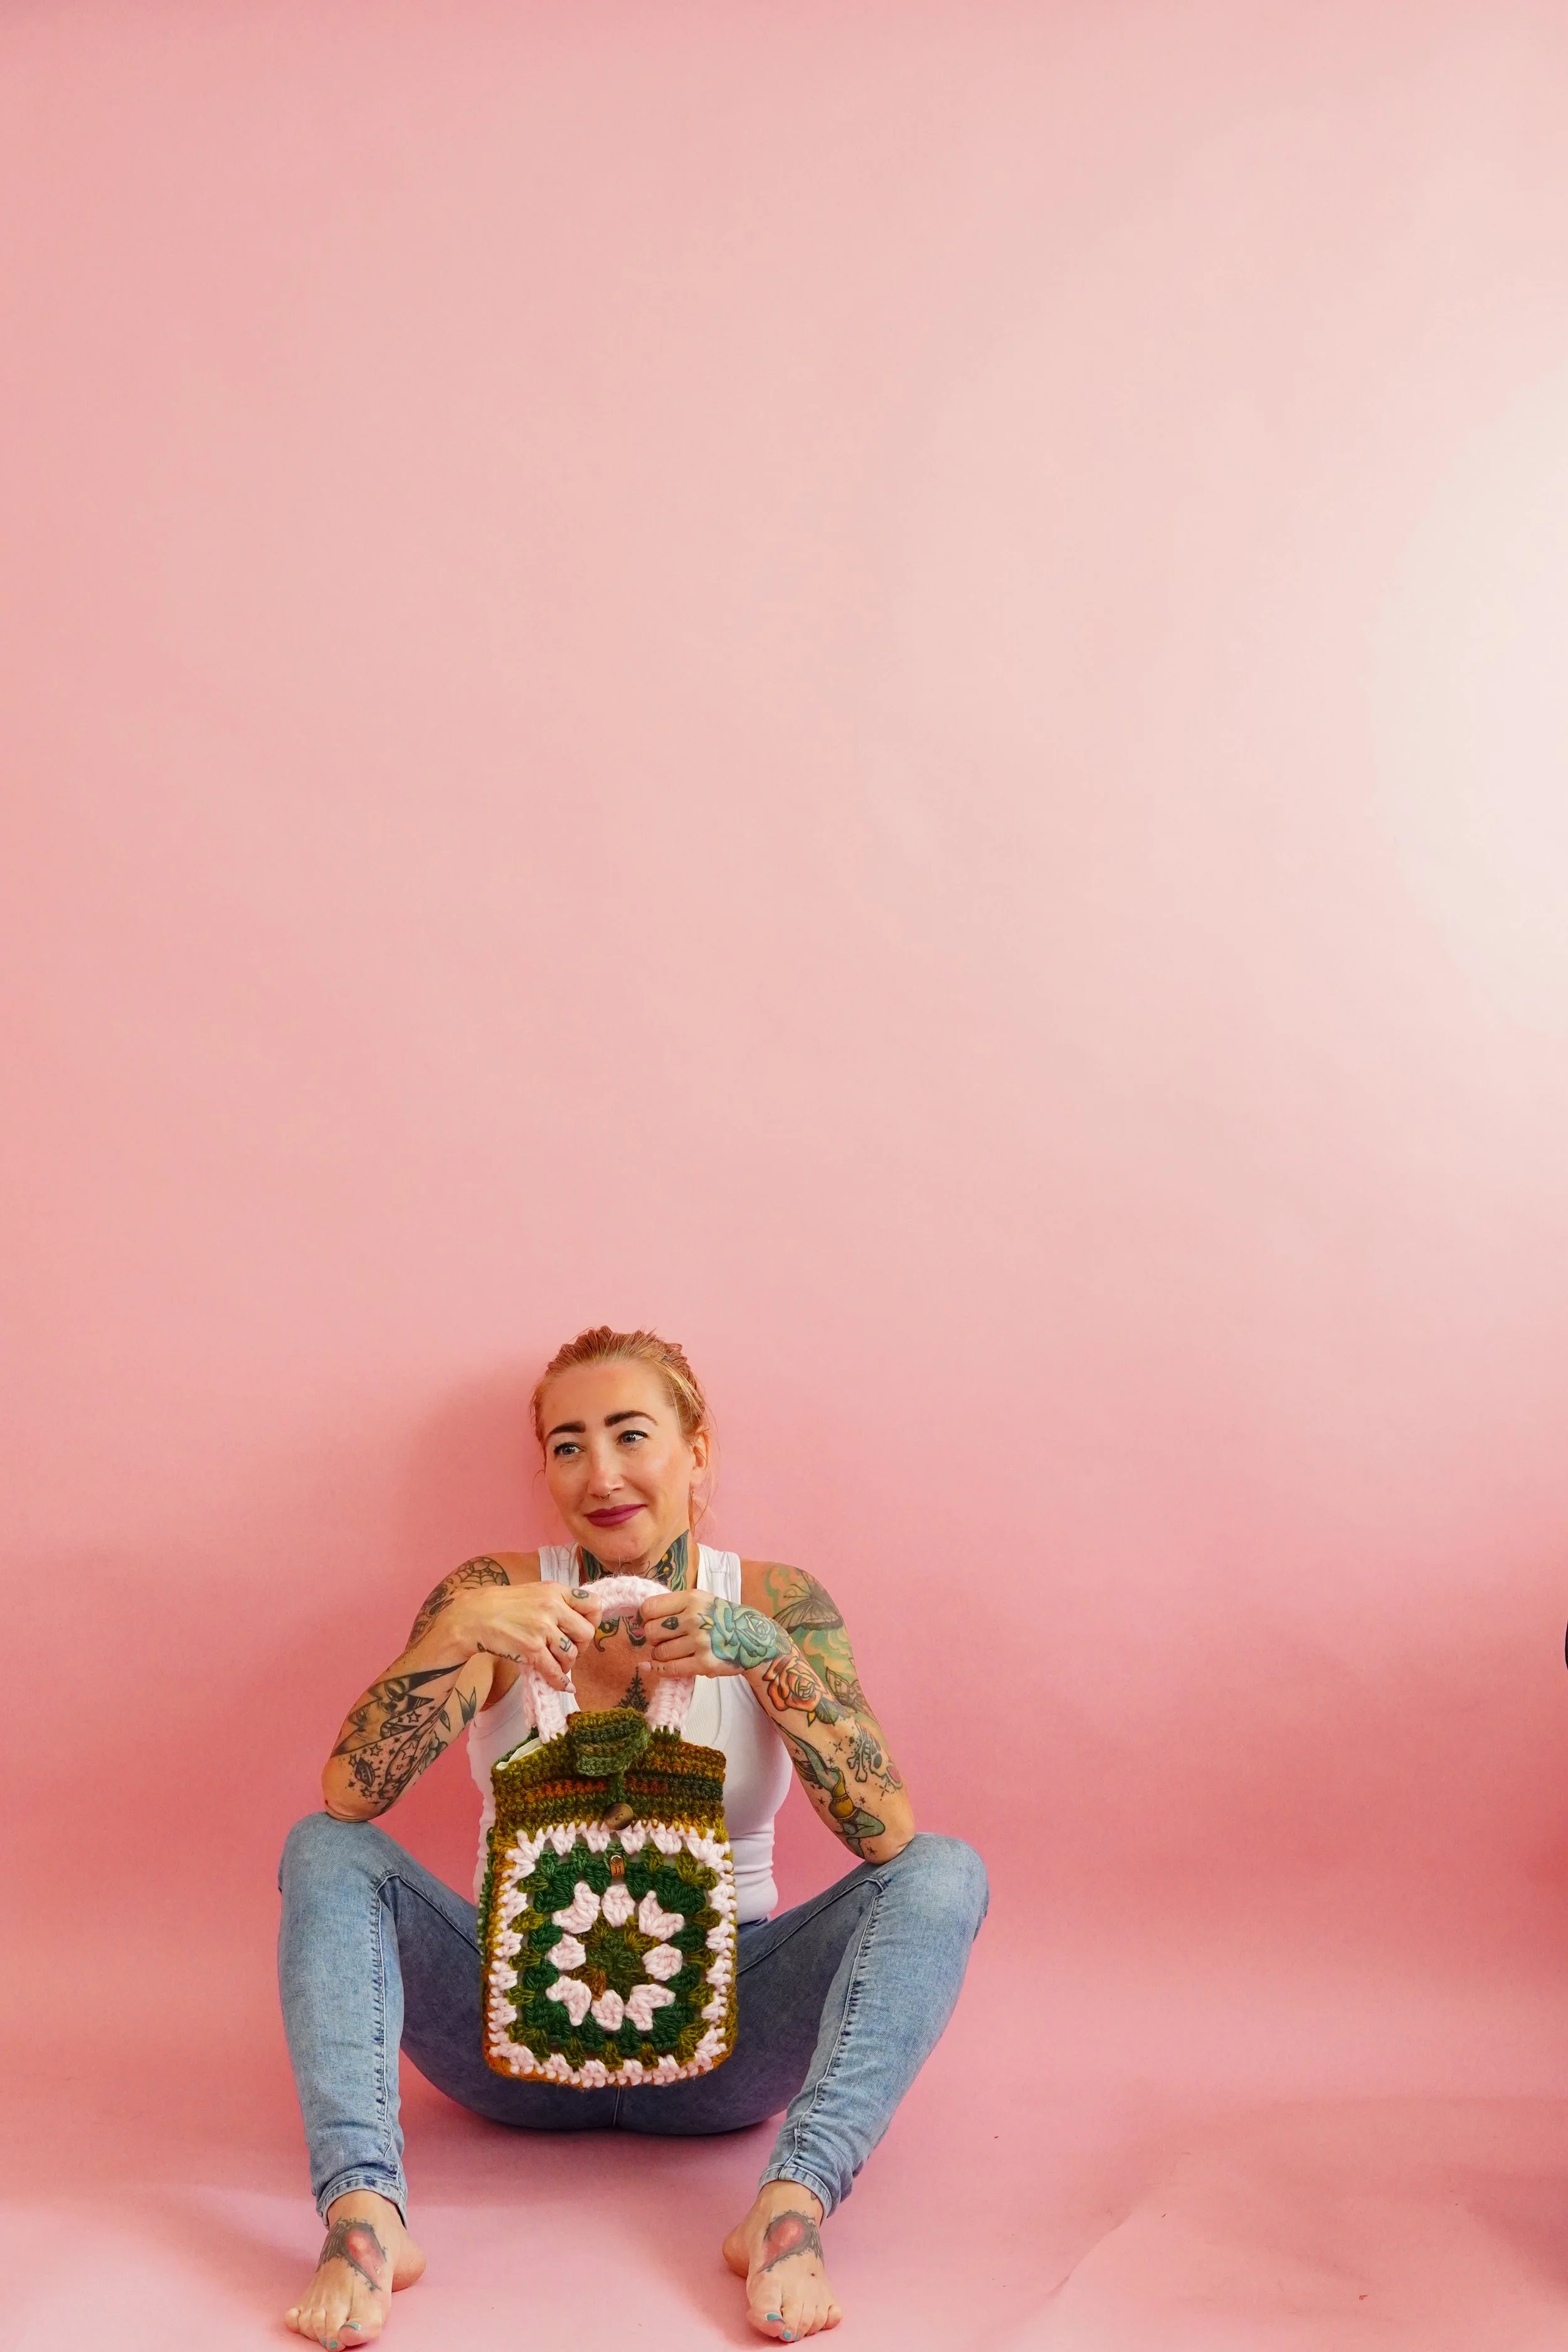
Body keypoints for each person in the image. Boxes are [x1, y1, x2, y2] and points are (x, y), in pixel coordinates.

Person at [278, 1326, 988, 2346]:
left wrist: (766, 1657)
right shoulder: (499, 1591)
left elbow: (888, 1837)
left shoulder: (779, 1600)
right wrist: (456, 1634)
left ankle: (790, 2208)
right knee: (320, 1848)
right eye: (567, 1445)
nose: (599, 1472)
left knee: (944, 1871)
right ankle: (363, 2217)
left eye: (629, 1433)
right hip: (507, 2027)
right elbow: (350, 1797)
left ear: (698, 1449)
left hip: (726, 2039)